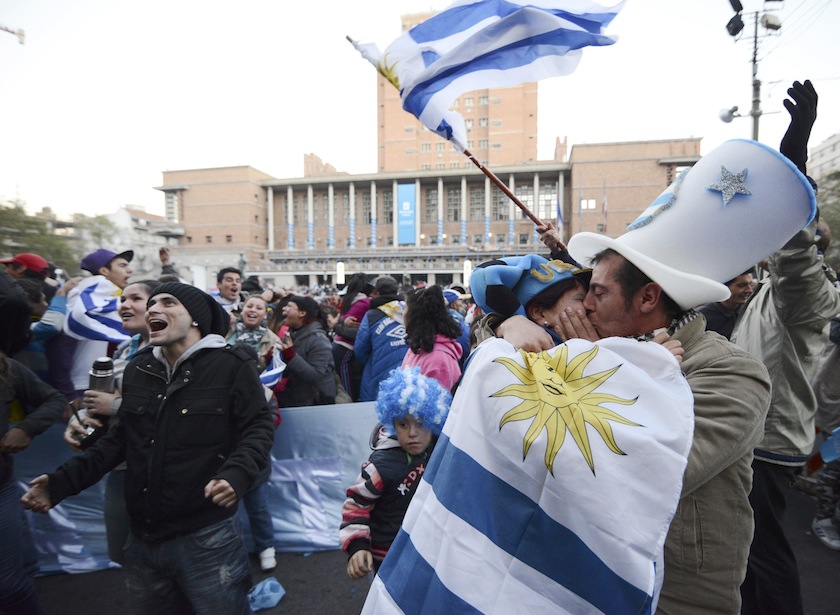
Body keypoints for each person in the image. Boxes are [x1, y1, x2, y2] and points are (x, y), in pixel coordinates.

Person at [22, 282, 275, 614]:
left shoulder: (230, 365)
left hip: (206, 537)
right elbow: (121, 441)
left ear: (195, 318)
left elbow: (257, 427)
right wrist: (59, 484)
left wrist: (236, 475)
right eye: (151, 303)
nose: (153, 309)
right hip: (142, 536)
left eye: (168, 303)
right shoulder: (139, 367)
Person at [734, 80, 840, 615]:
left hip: (769, 442)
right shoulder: (770, 291)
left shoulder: (808, 291)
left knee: (765, 558)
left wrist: (794, 162)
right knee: (749, 555)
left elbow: (796, 249)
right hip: (756, 434)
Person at [62, 279, 160, 565]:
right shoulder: (122, 349)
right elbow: (102, 407)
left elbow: (175, 410)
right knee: (127, 556)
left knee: (163, 564)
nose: (124, 305)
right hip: (118, 465)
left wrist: (115, 404)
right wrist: (82, 424)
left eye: (135, 299)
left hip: (155, 469)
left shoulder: (172, 352)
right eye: (123, 299)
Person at [340, 367, 452, 578]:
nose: (412, 433)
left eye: (421, 423)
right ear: (391, 423)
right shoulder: (379, 466)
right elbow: (356, 505)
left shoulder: (437, 451)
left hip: (425, 548)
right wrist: (358, 546)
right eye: (403, 424)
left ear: (432, 421)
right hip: (387, 554)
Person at [1, 350, 66, 615]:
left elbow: (54, 400)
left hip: (1, 488)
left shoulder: (6, 368)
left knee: (9, 585)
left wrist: (26, 428)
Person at [226, 294, 280, 571]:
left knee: (258, 507)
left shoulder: (265, 390)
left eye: (259, 307)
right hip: (224, 456)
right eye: (249, 305)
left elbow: (270, 420)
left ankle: (266, 546)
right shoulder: (225, 336)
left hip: (254, 457)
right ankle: (231, 553)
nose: (253, 310)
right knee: (227, 510)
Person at [64, 248, 134, 405]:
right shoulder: (83, 298)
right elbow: (63, 348)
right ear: (103, 270)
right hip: (83, 385)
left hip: (109, 382)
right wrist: (67, 393)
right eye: (122, 265)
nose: (130, 270)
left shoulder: (116, 298)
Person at [354, 276, 408, 403]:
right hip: (409, 375)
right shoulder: (411, 311)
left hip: (378, 377)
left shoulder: (372, 315)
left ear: (377, 293)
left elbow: (360, 350)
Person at [277, 295, 336, 407]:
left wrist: (291, 356)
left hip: (316, 403)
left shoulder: (318, 339)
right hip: (295, 399)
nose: (284, 309)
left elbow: (316, 376)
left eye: (289, 306)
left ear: (302, 313)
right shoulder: (291, 333)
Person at [401, 285, 463, 392]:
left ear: (415, 316)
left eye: (405, 308)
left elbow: (437, 405)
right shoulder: (417, 347)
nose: (403, 314)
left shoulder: (438, 360)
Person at [332, 273, 372, 401]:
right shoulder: (365, 302)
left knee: (343, 384)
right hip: (346, 347)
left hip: (339, 346)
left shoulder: (351, 300)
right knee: (346, 389)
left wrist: (340, 322)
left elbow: (339, 320)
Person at [697, 270, 754, 339]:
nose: (749, 290)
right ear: (724, 287)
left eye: (751, 284)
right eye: (741, 286)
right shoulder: (702, 317)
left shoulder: (751, 309)